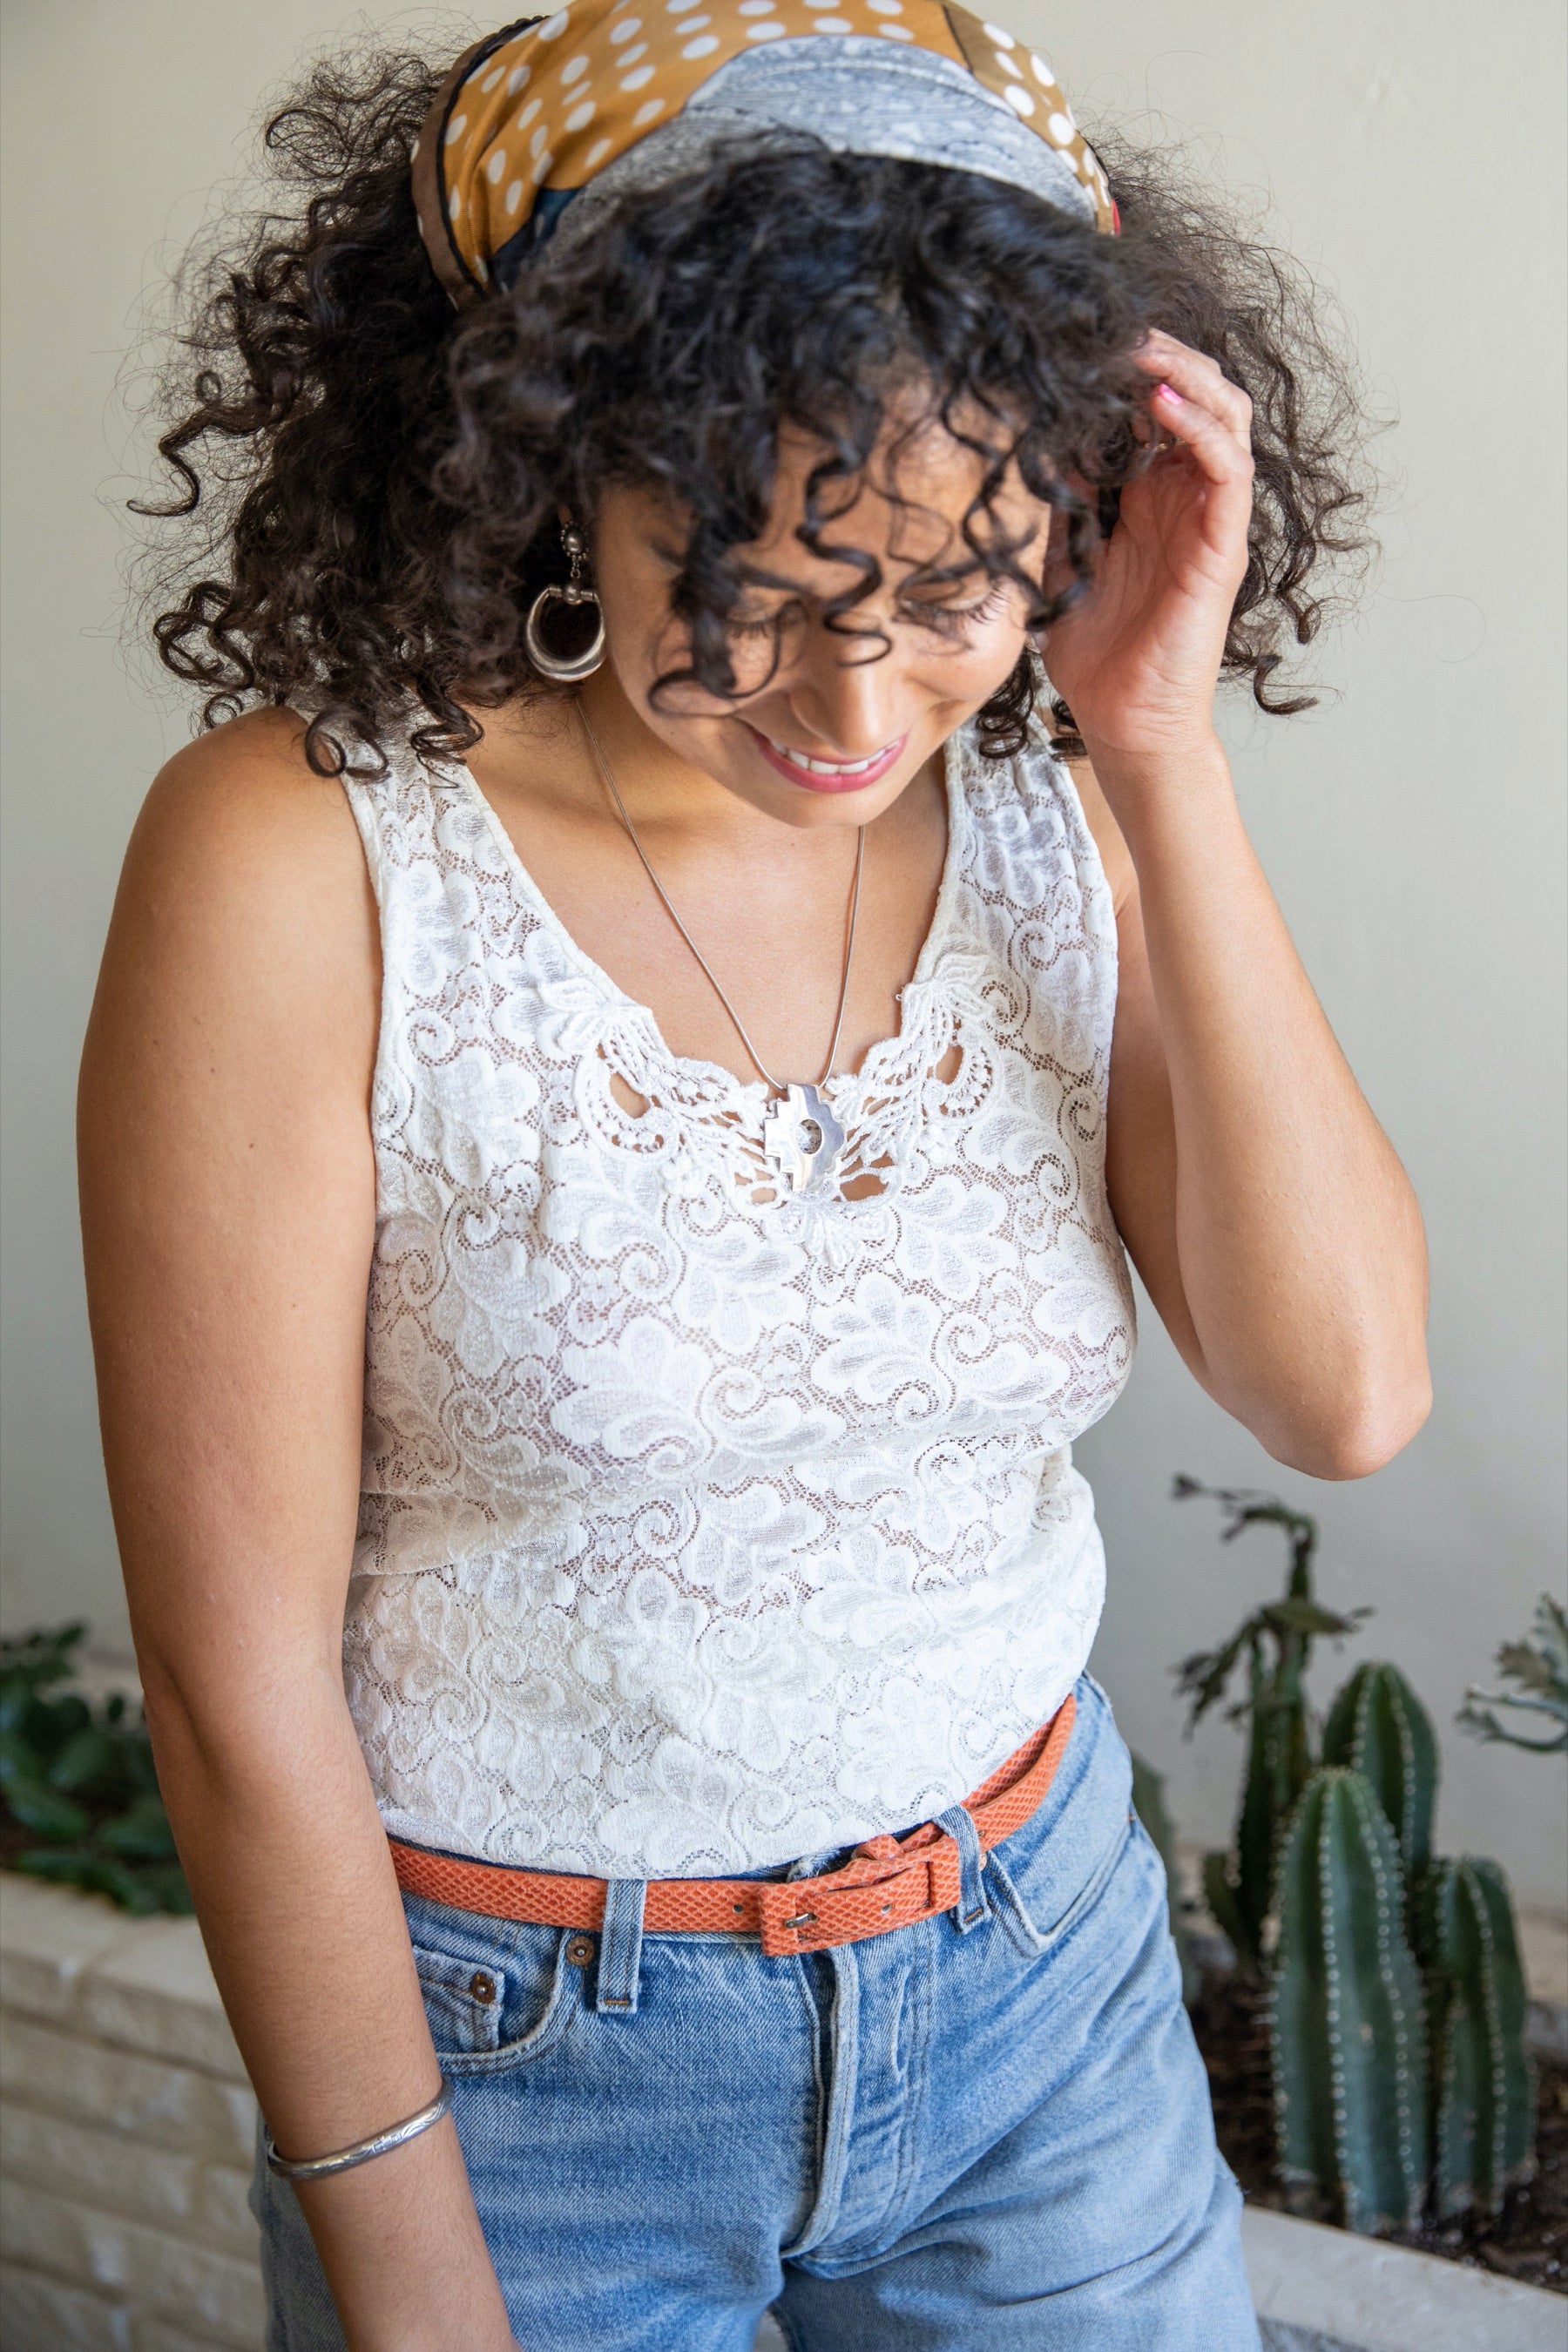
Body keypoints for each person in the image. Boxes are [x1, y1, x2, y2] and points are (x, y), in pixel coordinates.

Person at [78, 7, 1431, 2346]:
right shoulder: (304, 858)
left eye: (955, 591)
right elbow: (234, 1688)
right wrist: (413, 2280)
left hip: (1042, 1991)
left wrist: (1157, 750)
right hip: (525, 2073)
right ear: (551, 467)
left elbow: (1346, 1392)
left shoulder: (1056, 806)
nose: (855, 711)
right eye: (756, 594)